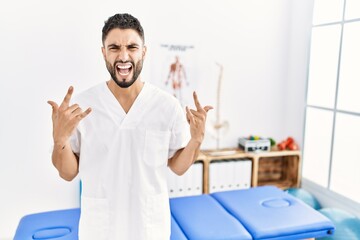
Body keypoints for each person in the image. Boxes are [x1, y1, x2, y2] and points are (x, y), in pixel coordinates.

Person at [47, 13, 212, 240]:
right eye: (114, 47)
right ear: (103, 52)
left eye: (132, 47)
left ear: (143, 52)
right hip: (100, 229)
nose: (123, 56)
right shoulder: (82, 107)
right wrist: (60, 141)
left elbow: (178, 167)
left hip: (149, 228)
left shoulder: (167, 106)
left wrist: (196, 140)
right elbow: (68, 173)